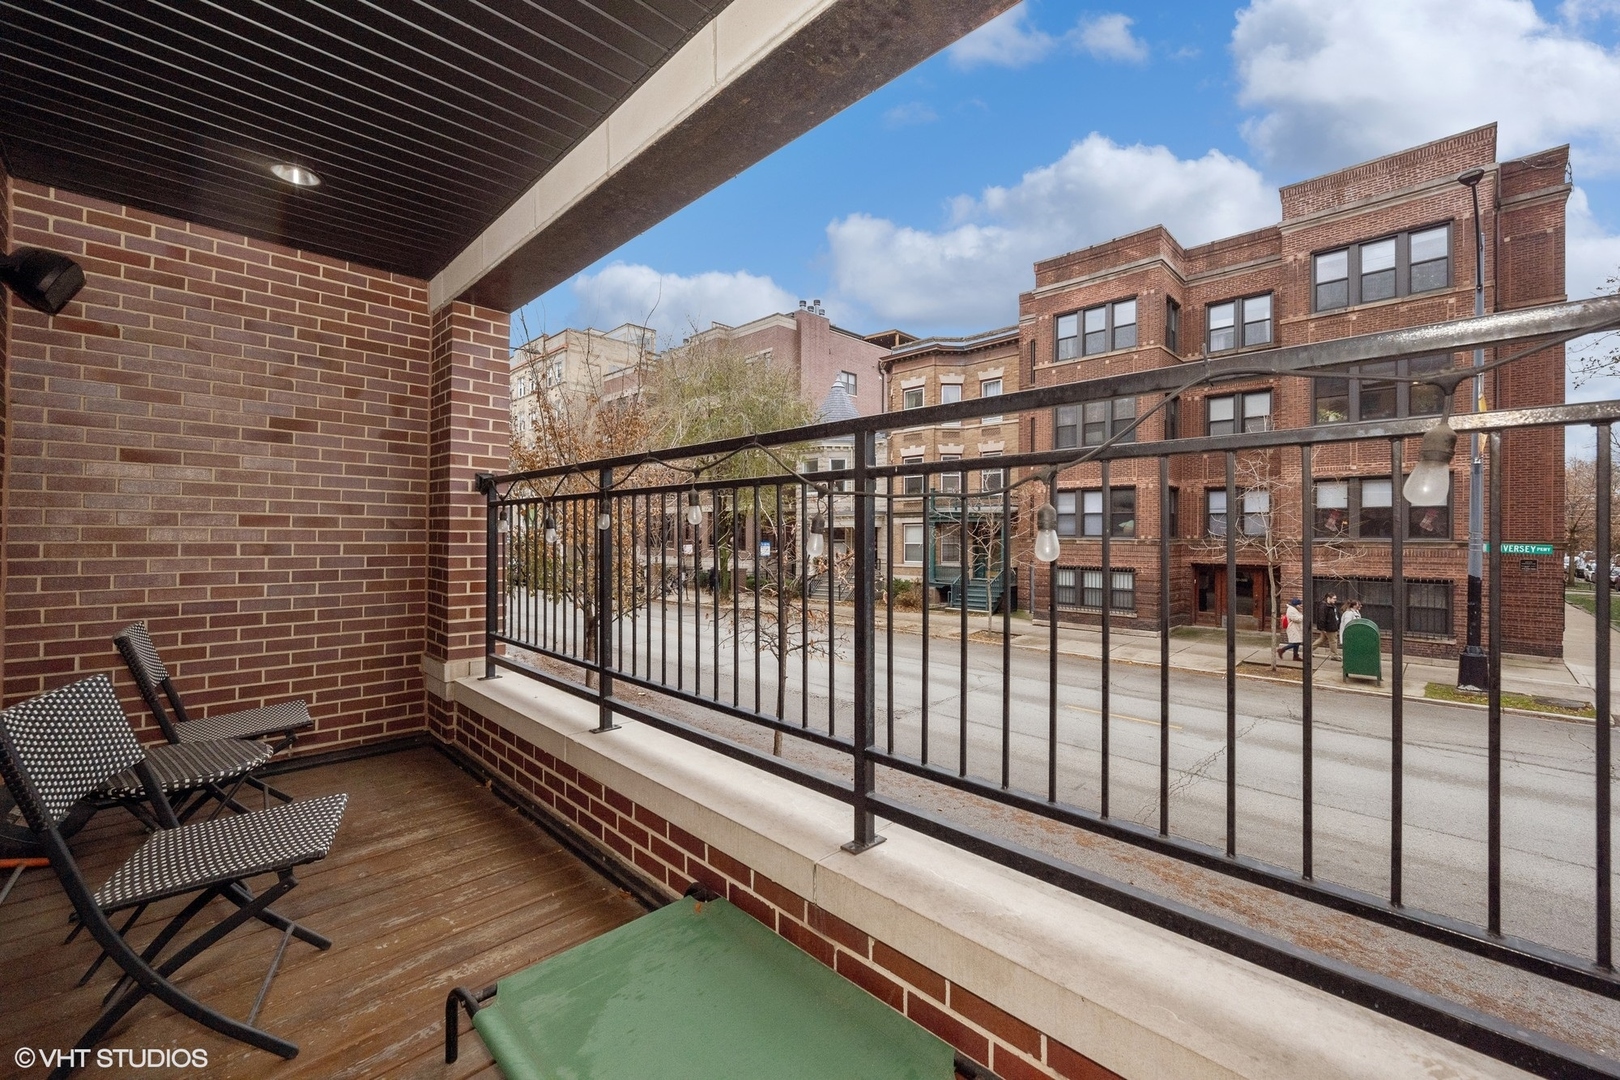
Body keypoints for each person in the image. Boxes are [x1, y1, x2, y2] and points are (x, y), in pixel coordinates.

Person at [1314, 591, 1340, 659]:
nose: (1335, 600)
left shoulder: (1332, 606)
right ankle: (1334, 655)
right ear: (1328, 598)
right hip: (1329, 627)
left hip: (1331, 626)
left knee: (1321, 640)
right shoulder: (1324, 606)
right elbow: (1322, 618)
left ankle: (1309, 650)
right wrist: (1322, 628)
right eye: (1334, 598)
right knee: (1333, 641)